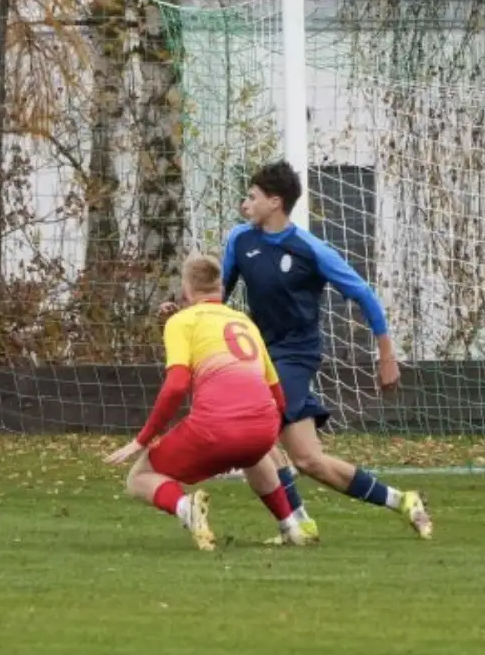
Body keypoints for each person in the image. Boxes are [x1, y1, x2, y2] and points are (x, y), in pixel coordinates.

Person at [215, 161, 431, 542]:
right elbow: (219, 296)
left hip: (297, 355)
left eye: (252, 197)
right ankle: (400, 500)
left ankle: (295, 522)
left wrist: (386, 356)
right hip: (261, 354)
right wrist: (185, 311)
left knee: (251, 432)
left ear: (275, 202)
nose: (245, 204)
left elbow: (365, 296)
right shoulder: (240, 240)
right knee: (307, 459)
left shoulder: (311, 250)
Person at [105, 253, 309, 550]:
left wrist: (143, 439)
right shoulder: (243, 321)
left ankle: (185, 507)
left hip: (216, 428)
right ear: (221, 289)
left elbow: (175, 387)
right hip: (262, 425)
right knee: (255, 455)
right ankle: (291, 525)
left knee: (140, 476)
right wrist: (267, 433)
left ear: (186, 289)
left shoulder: (181, 322)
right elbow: (276, 393)